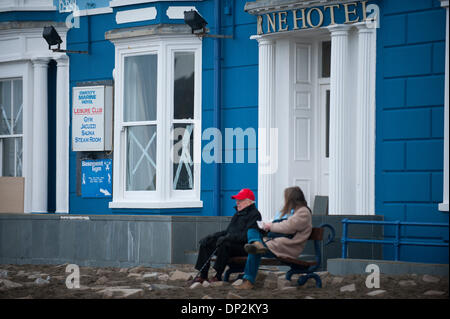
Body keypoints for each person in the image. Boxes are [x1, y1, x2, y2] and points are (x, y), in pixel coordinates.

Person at [234, 186, 312, 290]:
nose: (285, 201)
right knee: (252, 234)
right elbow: (287, 224)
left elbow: (289, 227)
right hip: (279, 245)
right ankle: (256, 244)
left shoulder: (303, 212)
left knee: (254, 245)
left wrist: (270, 226)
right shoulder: (298, 211)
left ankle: (248, 280)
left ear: (292, 198)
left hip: (287, 247)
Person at [193, 188, 262, 283]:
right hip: (230, 244)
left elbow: (246, 236)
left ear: (249, 202)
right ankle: (203, 275)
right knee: (207, 243)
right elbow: (228, 231)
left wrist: (227, 237)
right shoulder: (238, 214)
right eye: (237, 200)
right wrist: (212, 236)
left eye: (240, 200)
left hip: (244, 247)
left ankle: (218, 276)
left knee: (225, 243)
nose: (237, 202)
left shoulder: (255, 215)